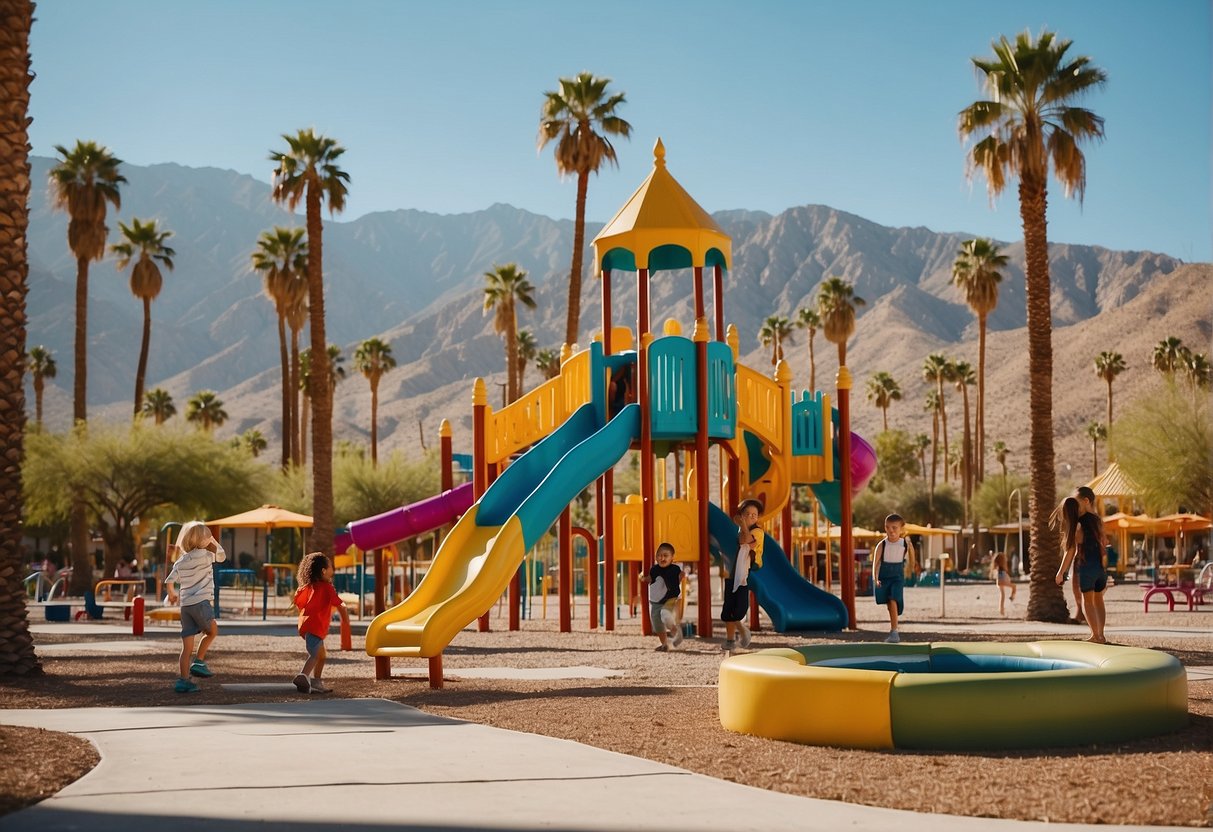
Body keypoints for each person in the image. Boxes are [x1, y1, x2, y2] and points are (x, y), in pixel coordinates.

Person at [165, 520, 226, 693]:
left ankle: (183, 680)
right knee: (212, 631)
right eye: (208, 536)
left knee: (186, 648)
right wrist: (214, 543)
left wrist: (172, 594)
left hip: (185, 607)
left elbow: (169, 581)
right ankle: (199, 661)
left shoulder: (180, 561)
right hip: (201, 603)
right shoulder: (207, 555)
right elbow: (222, 556)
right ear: (203, 540)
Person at [293, 552, 350, 694]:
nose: (333, 568)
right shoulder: (327, 588)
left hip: (308, 626)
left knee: (322, 655)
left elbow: (298, 601)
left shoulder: (309, 586)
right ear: (324, 571)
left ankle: (316, 681)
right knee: (315, 655)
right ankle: (303, 675)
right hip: (315, 627)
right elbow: (339, 604)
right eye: (331, 565)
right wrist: (345, 619)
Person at [1054, 497, 1108, 644]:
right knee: (1099, 600)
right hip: (1100, 568)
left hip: (1086, 568)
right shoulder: (1095, 520)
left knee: (1087, 601)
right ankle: (1101, 635)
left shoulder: (1076, 526)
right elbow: (1104, 541)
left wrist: (1060, 573)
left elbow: (1070, 551)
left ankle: (1095, 635)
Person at [721, 499, 764, 653]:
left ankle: (741, 627)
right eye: (748, 514)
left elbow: (746, 542)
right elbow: (739, 540)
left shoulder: (757, 532)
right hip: (732, 572)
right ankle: (730, 639)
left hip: (746, 571)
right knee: (728, 609)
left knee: (739, 607)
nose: (752, 517)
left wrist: (743, 525)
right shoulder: (738, 530)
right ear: (741, 516)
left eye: (755, 515)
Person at [873, 513, 914, 643]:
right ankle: (893, 628)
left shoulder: (905, 544)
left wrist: (911, 570)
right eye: (888, 527)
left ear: (901, 529)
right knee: (889, 604)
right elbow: (876, 562)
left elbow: (912, 560)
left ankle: (894, 632)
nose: (891, 530)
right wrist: (875, 578)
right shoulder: (882, 545)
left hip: (897, 576)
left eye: (894, 528)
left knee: (893, 599)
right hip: (884, 577)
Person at [639, 542, 683, 652]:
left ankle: (675, 631)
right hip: (655, 601)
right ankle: (664, 644)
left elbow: (680, 575)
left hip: (670, 598)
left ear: (672, 558)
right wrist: (643, 578)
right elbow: (650, 578)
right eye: (659, 555)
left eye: (665, 555)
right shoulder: (654, 569)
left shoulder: (674, 569)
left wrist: (681, 577)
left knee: (665, 614)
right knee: (657, 623)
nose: (662, 558)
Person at [990, 551, 1017, 616]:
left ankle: (1001, 609)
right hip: (1001, 582)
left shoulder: (1000, 568)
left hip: (1001, 582)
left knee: (1002, 595)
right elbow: (1001, 577)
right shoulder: (1000, 569)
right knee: (1013, 587)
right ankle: (1012, 597)